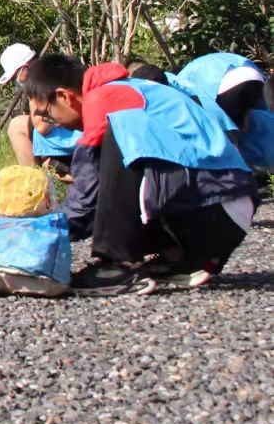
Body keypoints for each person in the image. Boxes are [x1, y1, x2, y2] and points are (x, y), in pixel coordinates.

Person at [25, 54, 257, 296]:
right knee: (119, 155)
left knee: (119, 135)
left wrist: (40, 231)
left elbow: (86, 197)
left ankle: (119, 263)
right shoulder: (129, 90)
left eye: (47, 114)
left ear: (64, 96)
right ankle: (179, 257)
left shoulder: (102, 99)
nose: (53, 124)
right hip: (226, 207)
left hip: (216, 207)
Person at [171, 52, 274, 170]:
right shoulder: (196, 69)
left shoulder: (182, 84)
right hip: (251, 74)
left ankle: (244, 171)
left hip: (221, 89)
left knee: (230, 138)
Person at [0, 42, 41, 167]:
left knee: (16, 125)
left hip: (70, 134)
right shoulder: (53, 69)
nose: (16, 82)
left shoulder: (40, 84)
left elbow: (42, 127)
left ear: (25, 68)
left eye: (15, 76)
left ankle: (31, 176)